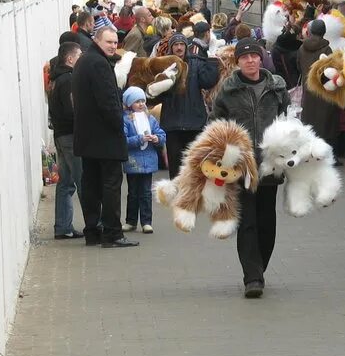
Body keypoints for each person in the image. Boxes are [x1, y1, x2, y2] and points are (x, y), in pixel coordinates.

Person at [210, 38, 289, 299]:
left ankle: (259, 267)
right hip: (241, 167)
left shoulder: (277, 88)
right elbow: (214, 126)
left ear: (261, 58)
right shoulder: (228, 91)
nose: (250, 61)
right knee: (247, 222)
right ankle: (252, 277)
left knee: (267, 221)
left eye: (254, 56)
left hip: (270, 165)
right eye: (245, 57)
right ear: (238, 61)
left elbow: (289, 122)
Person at [72, 26, 139, 249]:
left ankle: (93, 231)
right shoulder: (99, 64)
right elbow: (108, 102)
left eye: (114, 42)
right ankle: (112, 233)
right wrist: (120, 127)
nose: (113, 46)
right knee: (110, 185)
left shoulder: (83, 60)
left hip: (87, 136)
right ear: (97, 40)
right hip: (105, 137)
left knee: (91, 184)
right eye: (108, 42)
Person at [156, 32, 220, 177]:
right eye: (176, 45)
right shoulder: (164, 64)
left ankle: (193, 198)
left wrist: (212, 60)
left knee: (195, 168)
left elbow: (208, 81)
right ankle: (177, 198)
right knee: (176, 170)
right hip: (172, 124)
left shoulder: (196, 63)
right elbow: (156, 93)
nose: (179, 48)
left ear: (186, 46)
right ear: (171, 48)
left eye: (181, 45)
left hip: (194, 123)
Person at [49, 40, 84, 239]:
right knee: (81, 180)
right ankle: (93, 225)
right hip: (71, 136)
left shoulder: (56, 79)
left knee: (66, 182)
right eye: (79, 56)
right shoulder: (69, 80)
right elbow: (73, 110)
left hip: (61, 135)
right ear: (70, 59)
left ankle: (63, 227)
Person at [120, 86, 166, 234]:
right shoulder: (126, 120)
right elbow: (123, 140)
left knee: (146, 193)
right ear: (129, 104)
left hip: (148, 162)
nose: (141, 104)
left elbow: (161, 133)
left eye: (142, 101)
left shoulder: (150, 118)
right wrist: (140, 139)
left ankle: (146, 222)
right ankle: (130, 221)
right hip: (133, 162)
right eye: (137, 101)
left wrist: (157, 138)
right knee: (133, 193)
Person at [297, 19, 342, 165]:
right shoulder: (326, 50)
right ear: (323, 32)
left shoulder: (301, 49)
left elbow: (298, 66)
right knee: (327, 125)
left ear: (309, 31)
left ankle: (310, 153)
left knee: (310, 125)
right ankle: (328, 156)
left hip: (308, 93)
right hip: (323, 94)